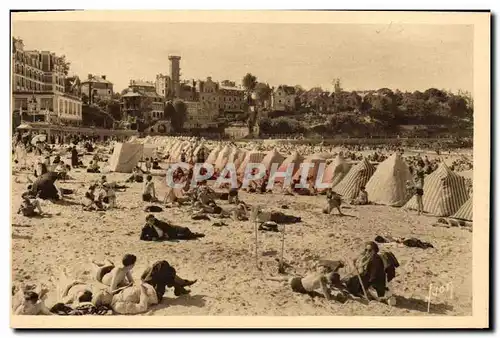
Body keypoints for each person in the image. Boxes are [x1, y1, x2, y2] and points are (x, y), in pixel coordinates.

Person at [267, 263, 342, 300]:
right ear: (330, 281)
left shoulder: (320, 274)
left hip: (299, 280)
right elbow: (327, 297)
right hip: (300, 287)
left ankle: (269, 278)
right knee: (287, 281)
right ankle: (283, 282)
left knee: (285, 278)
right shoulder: (323, 281)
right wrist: (331, 295)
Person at [140, 214, 205, 241]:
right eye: (151, 220)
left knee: (184, 230)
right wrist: (151, 238)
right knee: (184, 237)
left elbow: (167, 227)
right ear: (147, 221)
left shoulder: (158, 222)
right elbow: (142, 237)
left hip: (171, 230)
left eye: (153, 219)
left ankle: (195, 234)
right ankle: (195, 235)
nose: (153, 221)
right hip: (166, 237)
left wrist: (166, 233)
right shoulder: (146, 228)